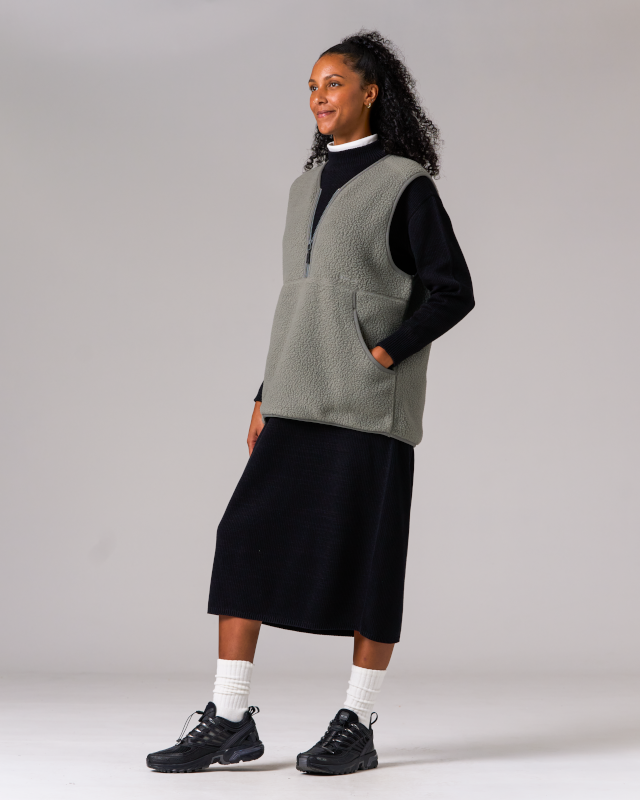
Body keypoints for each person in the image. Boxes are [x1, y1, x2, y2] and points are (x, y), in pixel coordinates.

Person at [146, 28, 475, 776]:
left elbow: (452, 289)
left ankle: (357, 721)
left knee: (370, 560)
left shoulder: (404, 184)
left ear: (370, 92)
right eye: (311, 87)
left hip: (370, 407)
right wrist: (265, 391)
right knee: (243, 537)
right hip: (296, 397)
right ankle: (230, 717)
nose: (319, 98)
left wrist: (382, 353)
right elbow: (302, 304)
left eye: (333, 84)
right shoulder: (305, 187)